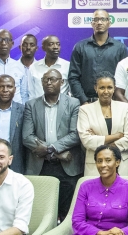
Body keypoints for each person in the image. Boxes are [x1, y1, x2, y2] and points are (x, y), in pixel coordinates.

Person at [22, 69, 83, 220]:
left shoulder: (74, 103)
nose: (49, 82)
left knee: (67, 213)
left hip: (67, 166)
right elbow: (27, 137)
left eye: (53, 79)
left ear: (62, 82)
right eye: (45, 79)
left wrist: (51, 149)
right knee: (42, 213)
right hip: (40, 165)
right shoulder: (31, 105)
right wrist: (56, 153)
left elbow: (75, 134)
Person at [78, 73, 128, 178]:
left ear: (114, 88)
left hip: (123, 165)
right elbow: (86, 140)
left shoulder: (125, 108)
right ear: (96, 88)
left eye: (109, 87)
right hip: (95, 167)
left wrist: (98, 139)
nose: (106, 91)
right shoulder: (85, 110)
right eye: (102, 88)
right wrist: (117, 136)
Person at [69, 10, 128, 104]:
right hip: (86, 103)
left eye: (103, 19)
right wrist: (83, 100)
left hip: (113, 103)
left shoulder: (120, 48)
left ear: (109, 23)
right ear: (92, 23)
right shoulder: (80, 47)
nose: (99, 22)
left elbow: (124, 78)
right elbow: (73, 77)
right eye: (96, 19)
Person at [28, 35, 70, 99]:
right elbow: (31, 92)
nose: (55, 47)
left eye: (58, 44)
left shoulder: (68, 66)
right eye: (51, 44)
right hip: (39, 106)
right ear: (43, 48)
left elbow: (72, 90)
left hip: (62, 107)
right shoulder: (34, 67)